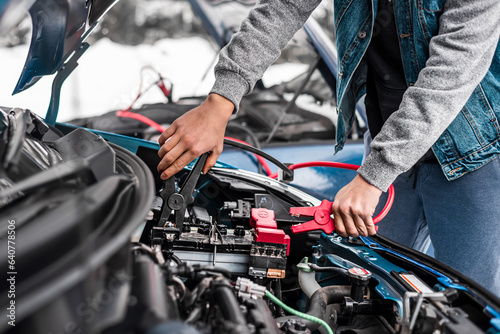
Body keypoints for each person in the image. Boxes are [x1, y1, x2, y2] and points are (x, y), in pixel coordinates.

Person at [157, 0, 500, 296]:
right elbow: (284, 7)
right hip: (386, 141)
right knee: (368, 293)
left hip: (472, 158)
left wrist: (373, 175)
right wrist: (219, 103)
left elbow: (454, 69)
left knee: (468, 307)